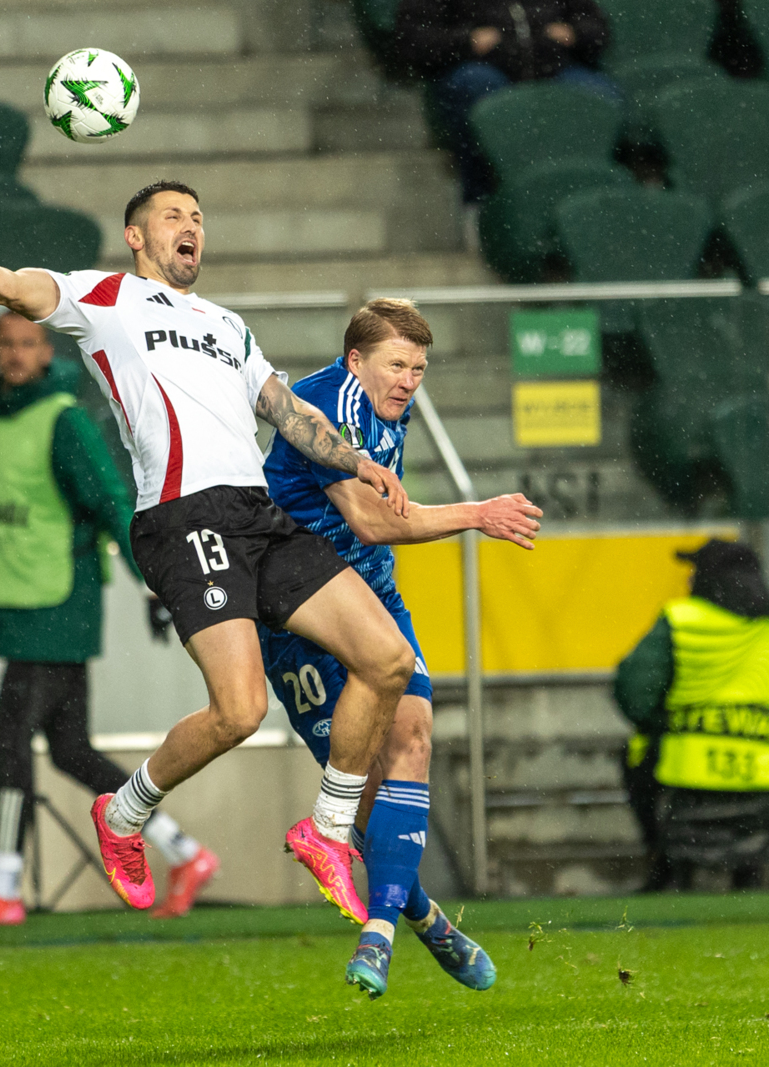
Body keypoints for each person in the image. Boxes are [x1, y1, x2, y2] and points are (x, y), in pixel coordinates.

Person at [0, 179, 416, 918]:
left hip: (257, 515)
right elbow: (7, 284)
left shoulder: (226, 323)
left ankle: (328, 829)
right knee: (240, 710)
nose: (192, 227)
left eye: (199, 218)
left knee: (387, 658)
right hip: (185, 516)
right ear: (138, 237)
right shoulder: (105, 296)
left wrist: (353, 458)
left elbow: (284, 408)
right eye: (174, 217)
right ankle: (123, 813)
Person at [261, 298, 542, 998]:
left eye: (419, 367)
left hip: (375, 596)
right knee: (361, 794)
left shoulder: (389, 405)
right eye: (397, 364)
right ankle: (424, 914)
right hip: (305, 607)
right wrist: (477, 513)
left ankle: (378, 932)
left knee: (413, 731)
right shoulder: (321, 407)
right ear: (355, 359)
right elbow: (371, 519)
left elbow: (380, 525)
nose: (409, 379)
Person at [0, 310, 219, 926]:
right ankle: (184, 852)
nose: (15, 354)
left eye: (28, 342)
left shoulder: (64, 421)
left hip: (60, 604)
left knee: (7, 740)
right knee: (69, 750)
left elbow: (114, 504)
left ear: (45, 353)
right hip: (21, 601)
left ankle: (4, 885)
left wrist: (153, 586)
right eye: (5, 343)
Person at [613, 539, 769, 890]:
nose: (688, 581)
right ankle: (749, 875)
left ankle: (663, 867)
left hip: (686, 782)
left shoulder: (681, 619)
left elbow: (633, 693)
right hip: (766, 786)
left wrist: (669, 723)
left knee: (637, 750)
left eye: (695, 572)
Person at [396, 0, 618, 203]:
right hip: (478, 68)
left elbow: (597, 29)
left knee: (599, 95)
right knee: (481, 92)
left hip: (555, 68)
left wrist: (576, 33)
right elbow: (415, 40)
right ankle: (481, 203)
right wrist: (467, 40)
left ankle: (587, 200)